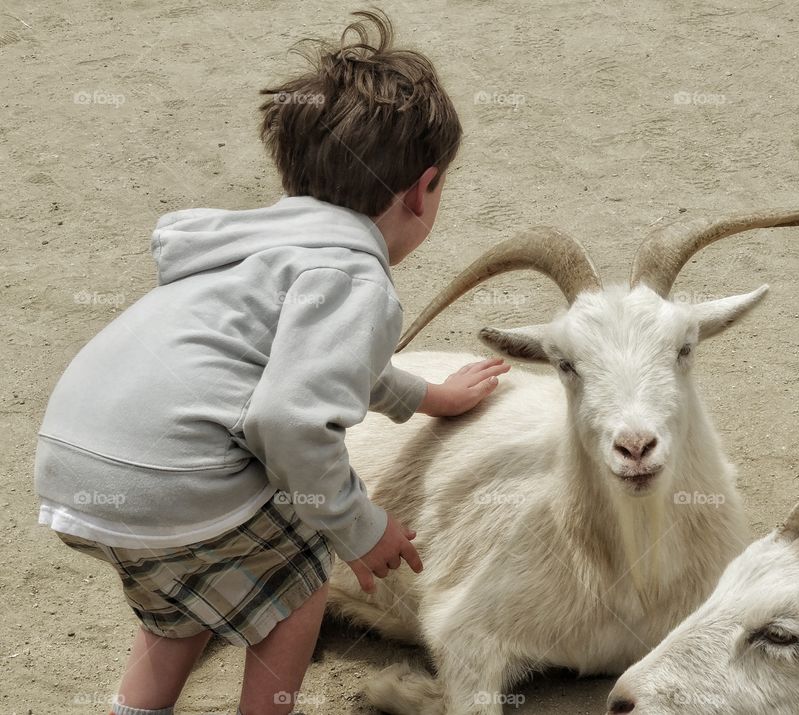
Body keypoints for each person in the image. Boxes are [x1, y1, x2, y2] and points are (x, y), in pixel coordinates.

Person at [34, 10, 508, 715]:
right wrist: (360, 525)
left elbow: (321, 363)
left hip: (80, 468)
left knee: (188, 590)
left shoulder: (259, 247)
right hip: (177, 480)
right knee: (297, 568)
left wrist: (429, 395)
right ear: (423, 188)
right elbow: (289, 416)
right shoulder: (356, 280)